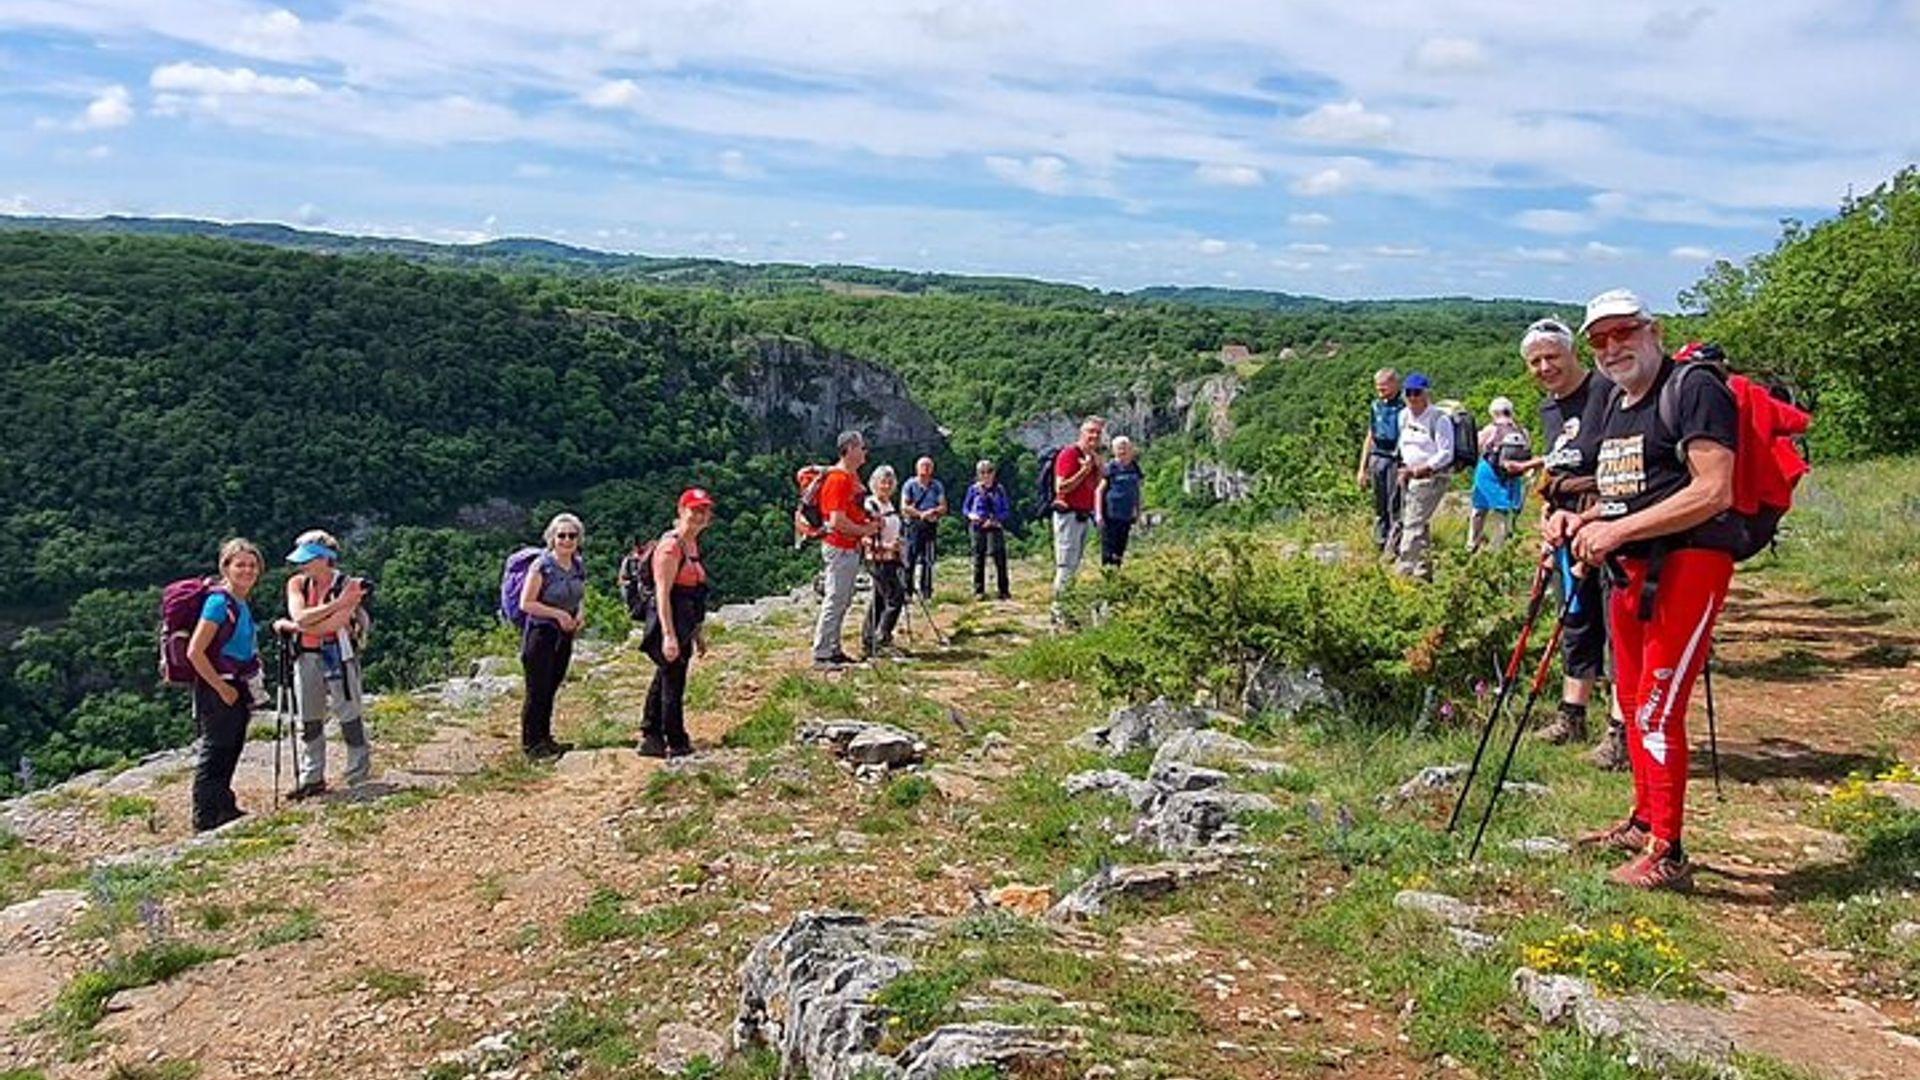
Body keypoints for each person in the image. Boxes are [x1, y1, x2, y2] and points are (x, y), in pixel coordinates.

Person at [1548, 288, 1740, 891]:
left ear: (1652, 330)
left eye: (1623, 332)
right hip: (1629, 571)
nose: (1612, 347)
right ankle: (1643, 820)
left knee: (1658, 710)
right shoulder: (1619, 401)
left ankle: (1669, 852)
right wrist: (1583, 520)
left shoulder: (1694, 388)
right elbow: (1630, 488)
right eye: (1599, 339)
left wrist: (1616, 530)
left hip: (1687, 568)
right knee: (1631, 702)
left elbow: (1714, 491)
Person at [1519, 317, 1627, 767]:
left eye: (1552, 357)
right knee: (1575, 619)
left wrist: (1585, 517)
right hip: (1566, 527)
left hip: (1610, 521)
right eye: (1536, 361)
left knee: (1615, 626)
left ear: (1572, 355)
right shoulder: (1550, 408)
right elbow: (1558, 471)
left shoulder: (1606, 393)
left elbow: (1623, 467)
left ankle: (1621, 733)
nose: (1545, 367)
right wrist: (1548, 511)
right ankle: (1572, 714)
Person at [276, 530, 371, 800]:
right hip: (307, 656)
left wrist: (294, 625)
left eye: (307, 559)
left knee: (348, 712)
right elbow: (302, 616)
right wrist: (338, 605)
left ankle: (357, 773)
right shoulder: (299, 583)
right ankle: (312, 777)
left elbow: (330, 624)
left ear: (324, 558)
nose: (301, 565)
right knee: (309, 718)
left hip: (337, 656)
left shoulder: (349, 585)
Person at [185, 538, 265, 832]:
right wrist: (220, 687)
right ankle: (204, 818)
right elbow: (195, 651)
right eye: (240, 565)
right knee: (216, 749)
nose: (247, 570)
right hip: (218, 687)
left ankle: (223, 807)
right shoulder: (219, 602)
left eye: (252, 565)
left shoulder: (240, 601)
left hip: (236, 685)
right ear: (225, 567)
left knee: (232, 747)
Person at [639, 489, 713, 758]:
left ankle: (651, 734)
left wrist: (697, 633)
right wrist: (668, 635)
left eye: (704, 510)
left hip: (685, 620)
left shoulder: (691, 544)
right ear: (681, 511)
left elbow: (693, 592)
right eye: (694, 509)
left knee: (665, 674)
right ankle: (675, 740)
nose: (700, 515)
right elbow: (662, 592)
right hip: (668, 620)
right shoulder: (671, 547)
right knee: (673, 680)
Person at [517, 513, 586, 759]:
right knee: (537, 690)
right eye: (562, 536)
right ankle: (531, 745)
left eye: (572, 535)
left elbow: (579, 596)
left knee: (551, 687)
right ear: (552, 539)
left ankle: (545, 739)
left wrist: (579, 614)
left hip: (563, 635)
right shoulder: (542, 566)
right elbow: (527, 603)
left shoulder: (577, 565)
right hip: (540, 634)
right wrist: (558, 615)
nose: (567, 540)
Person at [811, 430, 878, 670]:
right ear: (849, 449)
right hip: (840, 547)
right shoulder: (839, 479)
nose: (865, 452)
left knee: (843, 599)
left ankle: (833, 649)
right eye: (861, 447)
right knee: (836, 599)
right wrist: (866, 530)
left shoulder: (850, 477)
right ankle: (822, 654)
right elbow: (836, 521)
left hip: (848, 546)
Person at [1393, 374, 1454, 579]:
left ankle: (1403, 572)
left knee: (1412, 523)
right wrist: (1405, 468)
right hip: (1409, 475)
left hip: (1432, 477)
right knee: (1419, 522)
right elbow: (1403, 443)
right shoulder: (1403, 416)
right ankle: (1422, 572)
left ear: (1426, 393)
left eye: (1416, 393)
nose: (1412, 397)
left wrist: (1424, 467)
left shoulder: (1439, 418)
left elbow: (1446, 452)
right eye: (1408, 393)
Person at [1051, 416, 1105, 621]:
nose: (1094, 436)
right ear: (1081, 433)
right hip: (1068, 515)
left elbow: (1097, 488)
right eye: (1090, 431)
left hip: (1083, 516)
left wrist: (1098, 470)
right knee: (1065, 565)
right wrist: (1084, 470)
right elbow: (1061, 487)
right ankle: (1059, 612)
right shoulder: (1069, 454)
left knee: (1073, 566)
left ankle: (1067, 608)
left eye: (1098, 433)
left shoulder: (1092, 457)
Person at [1467, 397, 1531, 553]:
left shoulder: (1491, 429)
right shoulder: (1522, 431)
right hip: (1512, 474)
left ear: (1493, 412)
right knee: (1502, 511)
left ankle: (1472, 544)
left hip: (1488, 471)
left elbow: (1477, 447)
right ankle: (1499, 548)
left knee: (1479, 509)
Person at [1356, 368, 1406, 555]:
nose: (1380, 392)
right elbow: (1370, 435)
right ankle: (1380, 542)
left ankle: (1394, 546)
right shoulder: (1376, 405)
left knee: (1394, 503)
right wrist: (1363, 467)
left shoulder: (1404, 406)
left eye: (1383, 388)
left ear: (1394, 384)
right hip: (1378, 457)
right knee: (1379, 503)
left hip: (1395, 459)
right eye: (1377, 388)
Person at [862, 465, 909, 657]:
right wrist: (888, 547)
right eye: (883, 482)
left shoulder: (889, 505)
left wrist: (898, 544)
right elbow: (864, 537)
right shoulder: (870, 506)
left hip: (891, 559)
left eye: (890, 482)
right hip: (877, 559)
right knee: (896, 596)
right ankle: (882, 638)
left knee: (880, 599)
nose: (887, 485)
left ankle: (869, 639)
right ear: (874, 483)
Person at [963, 459, 1012, 600]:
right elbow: (966, 508)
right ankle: (979, 591)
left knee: (1000, 557)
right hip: (978, 525)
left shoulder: (999, 489)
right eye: (982, 472)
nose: (986, 475)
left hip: (995, 525)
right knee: (979, 557)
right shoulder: (973, 490)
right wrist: (972, 516)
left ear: (994, 473)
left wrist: (995, 520)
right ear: (978, 474)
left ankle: (1003, 590)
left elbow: (1006, 509)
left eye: (989, 471)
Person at [900, 457, 946, 601]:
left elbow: (944, 507)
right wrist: (921, 514)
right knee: (910, 559)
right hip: (914, 525)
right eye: (923, 466)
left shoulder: (937, 485)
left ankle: (926, 592)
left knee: (928, 559)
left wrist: (934, 512)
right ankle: (907, 591)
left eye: (928, 466)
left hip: (931, 525)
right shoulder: (910, 485)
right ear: (917, 468)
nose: (926, 469)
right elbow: (904, 507)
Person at [1096, 435, 1145, 567]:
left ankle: (1116, 577)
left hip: (1126, 515)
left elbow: (1137, 491)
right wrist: (1099, 514)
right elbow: (1099, 491)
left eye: (1125, 448)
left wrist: (1139, 512)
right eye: (1119, 448)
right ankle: (1108, 577)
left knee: (1120, 549)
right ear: (1114, 450)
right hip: (1110, 515)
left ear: (1130, 449)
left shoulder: (1134, 467)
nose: (1122, 451)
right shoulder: (1111, 467)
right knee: (1108, 549)